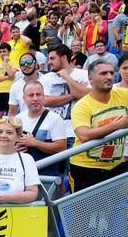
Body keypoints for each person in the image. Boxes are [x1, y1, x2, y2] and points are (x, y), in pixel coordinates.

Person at [69, 59, 128, 192]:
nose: (109, 77)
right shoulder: (82, 106)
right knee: (86, 212)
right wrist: (117, 125)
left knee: (116, 210)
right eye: (103, 73)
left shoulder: (123, 95)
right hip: (86, 168)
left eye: (112, 73)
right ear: (90, 79)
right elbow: (84, 135)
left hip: (116, 166)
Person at [16, 81, 67, 177]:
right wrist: (13, 149)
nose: (35, 99)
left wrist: (34, 143)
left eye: (38, 95)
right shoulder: (18, 119)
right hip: (23, 174)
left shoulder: (54, 118)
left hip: (47, 175)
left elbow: (62, 148)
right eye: (31, 95)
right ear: (24, 98)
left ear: (43, 96)